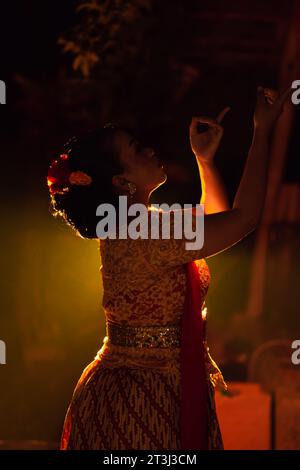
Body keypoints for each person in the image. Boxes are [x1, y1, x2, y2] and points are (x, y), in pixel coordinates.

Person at [47, 85, 291, 450]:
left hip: (153, 384)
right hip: (141, 398)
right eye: (136, 149)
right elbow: (242, 220)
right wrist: (263, 130)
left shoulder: (140, 224)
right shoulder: (145, 232)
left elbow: (216, 220)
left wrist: (205, 160)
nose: (149, 150)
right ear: (121, 181)